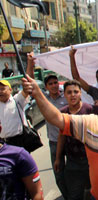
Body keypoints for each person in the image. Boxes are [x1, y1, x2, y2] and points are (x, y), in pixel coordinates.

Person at [26, 54, 69, 198]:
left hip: (70, 139)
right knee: (59, 172)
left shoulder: (68, 96)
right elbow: (29, 83)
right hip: (54, 142)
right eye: (50, 84)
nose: (54, 85)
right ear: (46, 87)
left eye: (56, 82)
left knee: (75, 170)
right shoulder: (43, 99)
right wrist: (30, 64)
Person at [54, 80, 94, 200]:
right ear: (64, 94)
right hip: (72, 162)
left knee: (95, 193)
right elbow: (61, 136)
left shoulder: (90, 110)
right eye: (69, 92)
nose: (73, 95)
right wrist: (57, 158)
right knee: (74, 195)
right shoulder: (62, 113)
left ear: (80, 93)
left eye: (76, 92)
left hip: (91, 161)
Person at [0, 79, 30, 144]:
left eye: (2, 89)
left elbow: (25, 91)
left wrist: (26, 84)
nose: (0, 91)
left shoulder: (17, 100)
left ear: (10, 90)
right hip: (3, 143)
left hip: (19, 140)